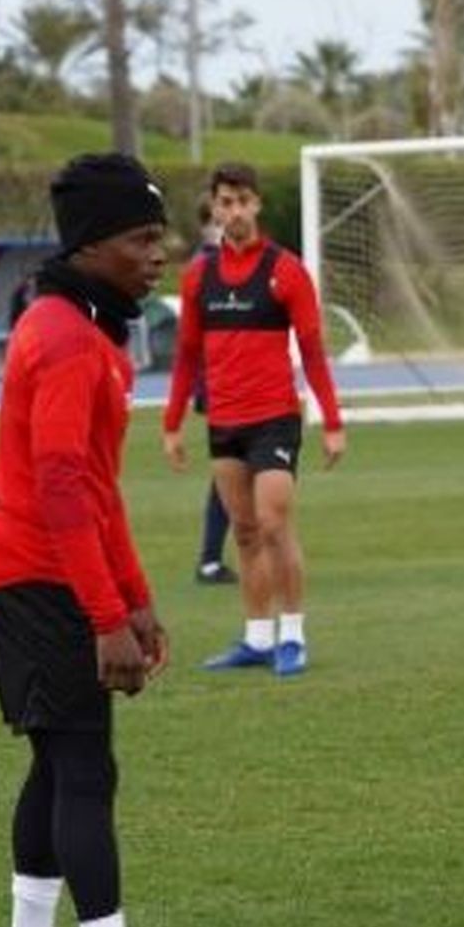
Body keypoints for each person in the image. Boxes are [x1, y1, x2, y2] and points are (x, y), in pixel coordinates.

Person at [0, 152, 170, 927]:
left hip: (40, 576)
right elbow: (59, 490)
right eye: (142, 239)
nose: (158, 256)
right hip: (34, 577)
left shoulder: (84, 330)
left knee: (59, 764)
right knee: (84, 768)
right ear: (89, 244)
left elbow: (97, 488)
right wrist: (105, 615)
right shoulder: (66, 340)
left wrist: (137, 599)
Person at [163, 162, 345, 678]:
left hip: (275, 419)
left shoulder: (285, 270)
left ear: (257, 205)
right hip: (223, 421)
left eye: (243, 201)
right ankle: (257, 637)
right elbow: (186, 357)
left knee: (273, 522)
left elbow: (312, 352)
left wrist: (332, 420)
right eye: (225, 202)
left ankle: (293, 634)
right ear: (214, 207)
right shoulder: (199, 275)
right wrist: (172, 423)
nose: (235, 211)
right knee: (243, 531)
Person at [187, 196, 235, 586]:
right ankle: (209, 559)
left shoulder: (222, 265)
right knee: (232, 471)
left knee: (238, 470)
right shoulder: (206, 268)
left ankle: (212, 557)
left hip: (227, 384)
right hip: (220, 385)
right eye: (216, 218)